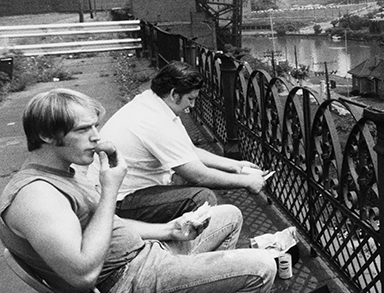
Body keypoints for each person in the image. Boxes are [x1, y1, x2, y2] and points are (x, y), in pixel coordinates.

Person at [0, 88, 277, 293]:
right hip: (123, 292)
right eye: (83, 129)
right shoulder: (36, 196)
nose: (96, 136)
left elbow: (106, 226)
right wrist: (109, 190)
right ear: (46, 136)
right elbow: (81, 274)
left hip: (143, 262)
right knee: (260, 268)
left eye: (95, 126)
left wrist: (168, 230)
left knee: (226, 215)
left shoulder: (60, 172)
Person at [89, 61, 269, 224]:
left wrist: (235, 165)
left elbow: (188, 151)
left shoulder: (153, 103)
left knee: (183, 177)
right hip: (118, 201)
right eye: (190, 99)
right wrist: (247, 182)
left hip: (117, 190)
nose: (191, 106)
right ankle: (190, 253)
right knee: (201, 198)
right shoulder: (156, 122)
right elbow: (199, 175)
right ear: (174, 94)